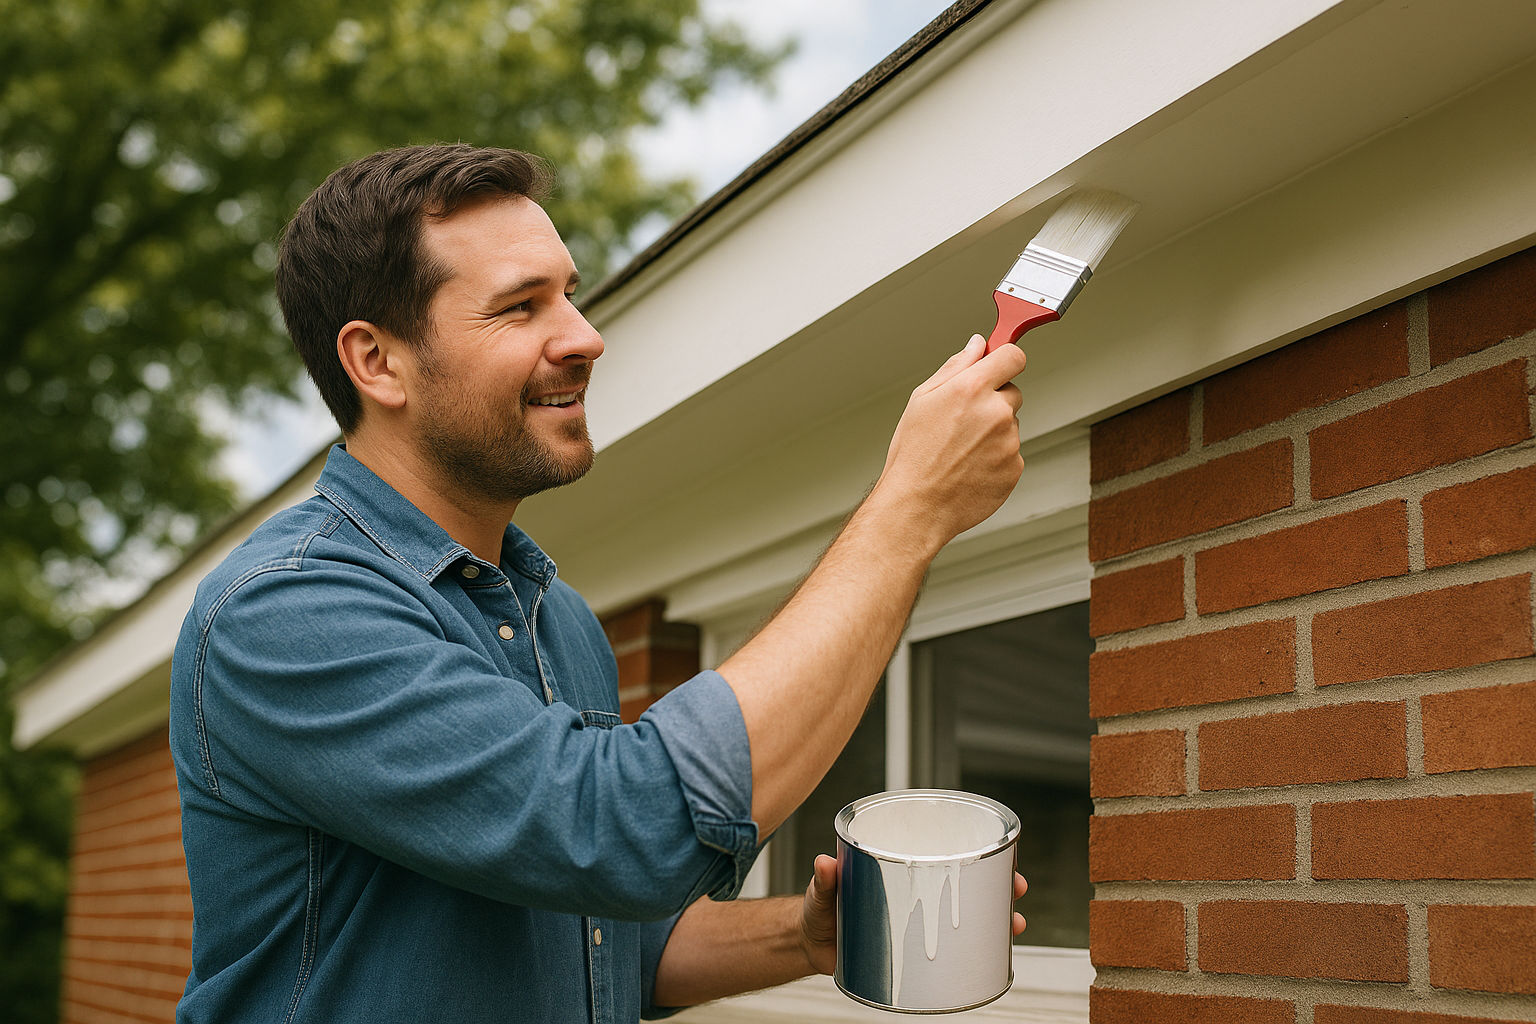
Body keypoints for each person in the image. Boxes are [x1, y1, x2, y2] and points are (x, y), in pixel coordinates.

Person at [168, 143, 1030, 1024]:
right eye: (519, 307)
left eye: (568, 293)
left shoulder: (558, 619)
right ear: (377, 362)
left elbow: (607, 938)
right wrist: (910, 508)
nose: (584, 336)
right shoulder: (287, 610)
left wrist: (803, 937)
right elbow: (625, 833)